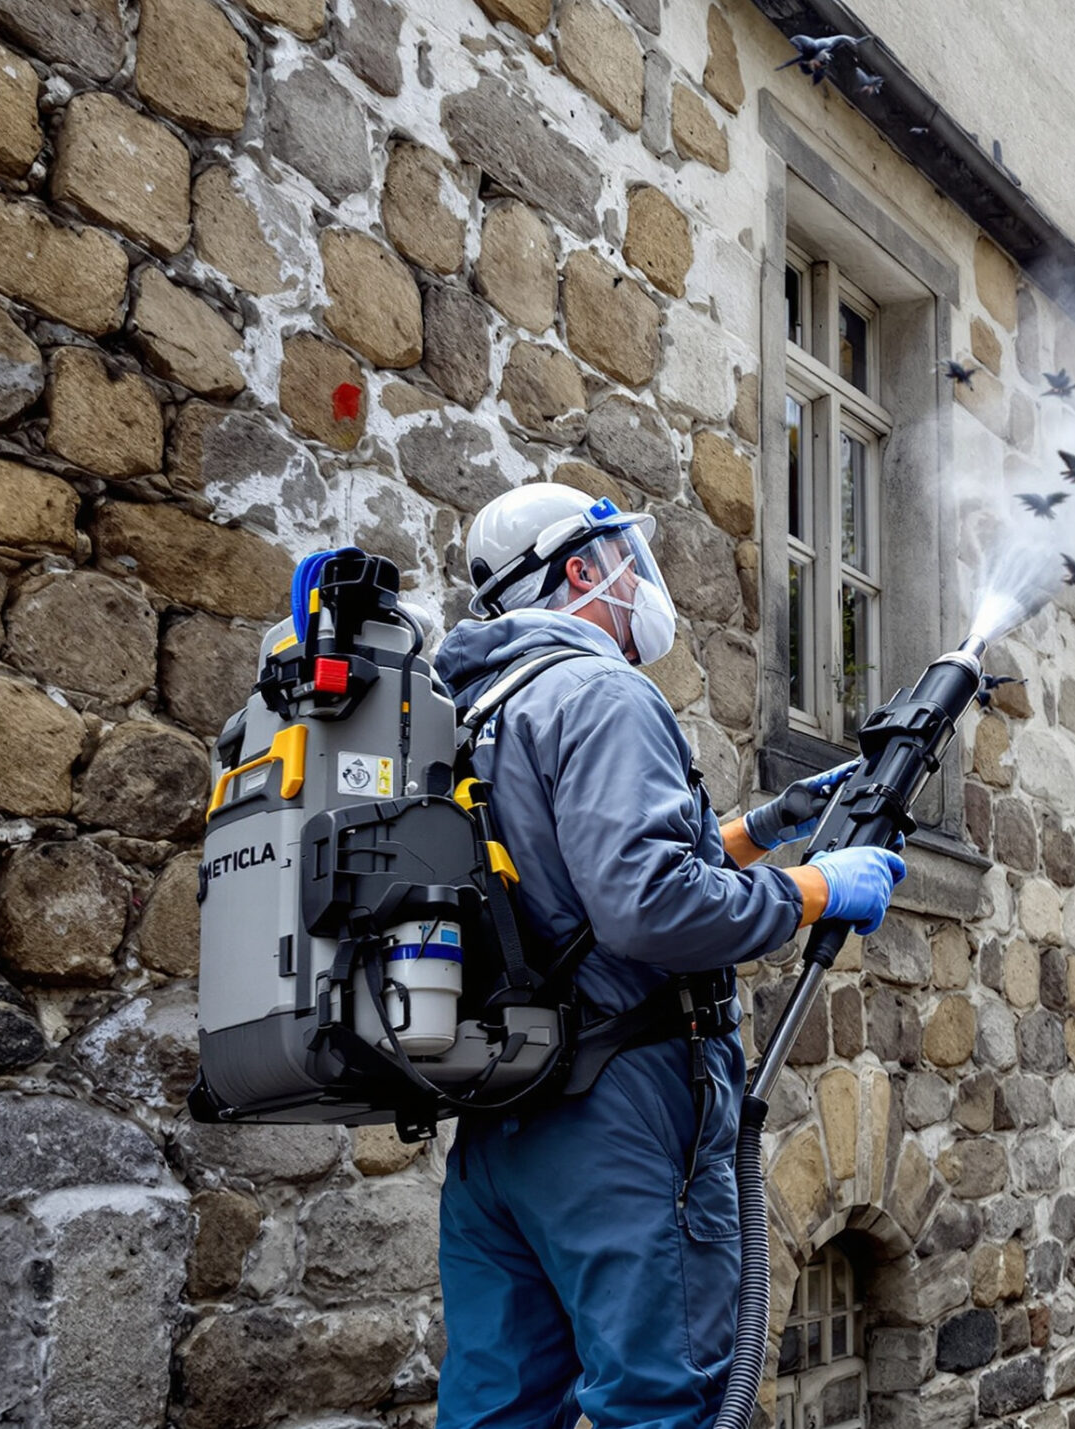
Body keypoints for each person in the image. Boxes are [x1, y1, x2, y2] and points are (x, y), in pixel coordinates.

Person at [432, 485, 909, 1429]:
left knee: (497, 1412)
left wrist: (760, 830)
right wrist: (817, 889)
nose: (640, 579)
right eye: (621, 556)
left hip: (503, 1124)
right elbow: (645, 906)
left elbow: (555, 890)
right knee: (663, 1403)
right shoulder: (602, 690)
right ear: (579, 570)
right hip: (621, 1119)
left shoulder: (470, 713)